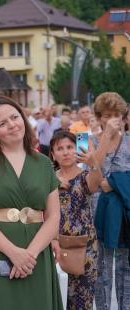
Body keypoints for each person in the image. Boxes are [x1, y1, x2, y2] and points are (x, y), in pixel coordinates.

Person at [0, 96, 63, 309]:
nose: (12, 125)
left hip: (35, 256)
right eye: (2, 123)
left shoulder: (44, 163)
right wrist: (13, 252)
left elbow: (53, 216)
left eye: (14, 117)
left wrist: (30, 255)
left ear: (23, 118)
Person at [49, 131, 102, 310]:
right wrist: (52, 182)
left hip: (84, 247)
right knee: (57, 295)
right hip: (55, 244)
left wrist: (93, 162)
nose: (65, 152)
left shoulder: (85, 176)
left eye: (70, 147)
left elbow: (95, 183)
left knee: (82, 297)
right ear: (53, 154)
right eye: (60, 148)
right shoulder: (48, 178)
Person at [90, 92, 130, 310]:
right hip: (97, 210)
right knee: (100, 265)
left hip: (125, 210)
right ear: (99, 117)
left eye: (117, 114)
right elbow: (88, 176)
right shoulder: (83, 140)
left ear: (123, 117)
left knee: (126, 266)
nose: (113, 119)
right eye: (107, 115)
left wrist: (113, 182)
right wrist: (105, 138)